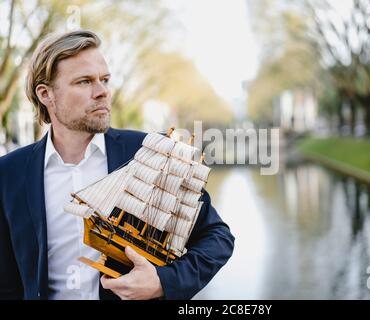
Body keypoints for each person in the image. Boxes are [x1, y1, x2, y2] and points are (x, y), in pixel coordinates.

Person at [0, 30, 234, 300]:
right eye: (84, 82)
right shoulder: (9, 174)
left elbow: (217, 238)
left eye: (105, 80)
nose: (102, 92)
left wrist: (164, 282)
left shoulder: (151, 152)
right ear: (46, 94)